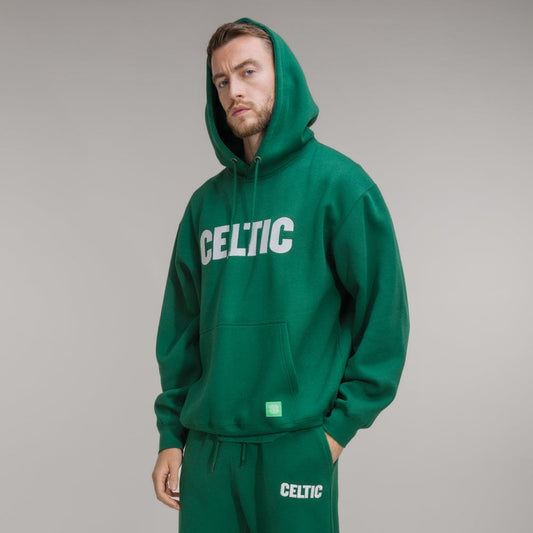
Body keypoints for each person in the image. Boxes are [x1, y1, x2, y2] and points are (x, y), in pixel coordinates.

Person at [152, 17, 409, 533]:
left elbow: (385, 319)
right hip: (208, 452)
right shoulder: (204, 206)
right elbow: (180, 330)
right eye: (221, 80)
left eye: (248, 72)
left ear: (283, 77)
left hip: (295, 445)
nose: (234, 91)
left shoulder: (340, 186)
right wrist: (171, 436)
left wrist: (334, 433)